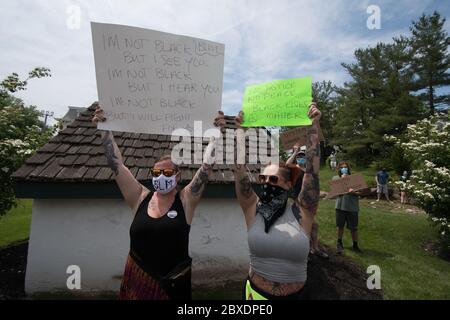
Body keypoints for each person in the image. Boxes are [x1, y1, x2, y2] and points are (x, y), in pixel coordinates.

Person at [92, 105, 223, 300]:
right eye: (157, 173)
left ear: (177, 176)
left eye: (168, 172)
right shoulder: (139, 197)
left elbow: (206, 167)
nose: (161, 176)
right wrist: (105, 130)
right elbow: (116, 165)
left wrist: (216, 135)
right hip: (136, 283)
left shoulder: (186, 200)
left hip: (171, 287)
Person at [216, 102, 321, 300]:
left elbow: (312, 174)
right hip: (254, 296)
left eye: (273, 179)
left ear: (289, 185)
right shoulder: (252, 208)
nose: (266, 183)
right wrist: (239, 133)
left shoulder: (302, 212)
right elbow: (238, 169)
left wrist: (313, 128)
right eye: (262, 179)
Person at [286, 145, 328, 259]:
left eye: (302, 156)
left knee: (314, 226)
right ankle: (303, 251)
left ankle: (314, 248)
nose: (301, 158)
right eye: (299, 157)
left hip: (309, 202)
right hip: (298, 201)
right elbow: (286, 164)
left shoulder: (309, 171)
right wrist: (295, 152)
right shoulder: (295, 169)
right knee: (302, 226)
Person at [333, 162, 362, 254]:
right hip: (340, 207)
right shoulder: (335, 178)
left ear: (348, 169)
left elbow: (361, 193)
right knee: (340, 225)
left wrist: (354, 192)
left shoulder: (355, 179)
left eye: (345, 167)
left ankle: (355, 245)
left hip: (352, 207)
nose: (344, 169)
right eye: (342, 167)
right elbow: (335, 192)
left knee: (353, 228)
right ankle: (339, 242)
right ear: (339, 169)